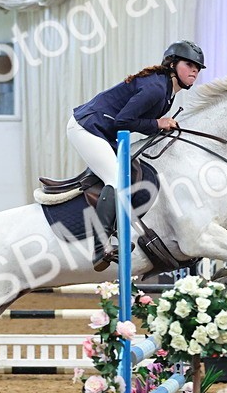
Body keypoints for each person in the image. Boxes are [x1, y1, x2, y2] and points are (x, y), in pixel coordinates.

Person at [67, 40, 205, 269]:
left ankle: (120, 231)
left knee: (131, 174)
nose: (194, 70)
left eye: (198, 67)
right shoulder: (156, 89)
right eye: (189, 64)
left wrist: (157, 125)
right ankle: (100, 247)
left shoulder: (167, 91)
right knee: (115, 179)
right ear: (172, 64)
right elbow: (123, 121)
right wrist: (158, 123)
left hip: (103, 130)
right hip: (86, 127)